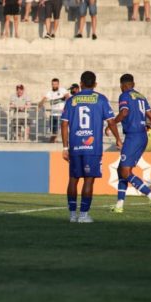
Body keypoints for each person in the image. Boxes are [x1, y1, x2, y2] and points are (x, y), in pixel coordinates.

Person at [60, 71, 114, 223]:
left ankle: (72, 215)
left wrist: (65, 148)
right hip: (93, 147)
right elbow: (111, 121)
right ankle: (83, 215)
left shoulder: (72, 100)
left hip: (75, 145)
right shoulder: (101, 99)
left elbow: (64, 124)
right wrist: (118, 138)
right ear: (95, 84)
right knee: (89, 181)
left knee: (73, 179)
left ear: (81, 83)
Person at [107, 74, 151, 214]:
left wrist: (112, 123)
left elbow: (124, 112)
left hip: (133, 136)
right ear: (133, 83)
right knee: (121, 170)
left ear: (122, 85)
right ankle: (119, 205)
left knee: (125, 172)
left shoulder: (124, 95)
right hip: (142, 136)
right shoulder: (141, 97)